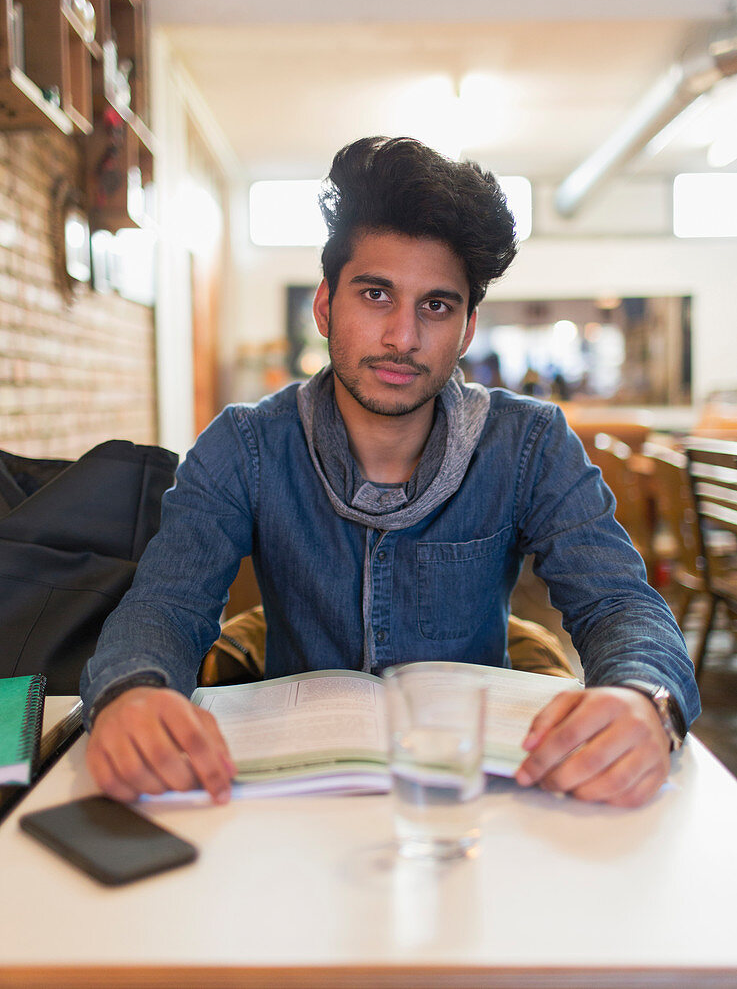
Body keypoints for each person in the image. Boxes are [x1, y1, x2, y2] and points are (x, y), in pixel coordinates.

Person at [82, 136, 699, 808]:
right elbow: (166, 606)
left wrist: (648, 700)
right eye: (376, 294)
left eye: (434, 305)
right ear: (325, 305)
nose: (403, 337)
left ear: (465, 329)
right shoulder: (244, 445)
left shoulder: (528, 443)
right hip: (290, 801)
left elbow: (618, 604)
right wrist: (130, 691)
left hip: (475, 793)